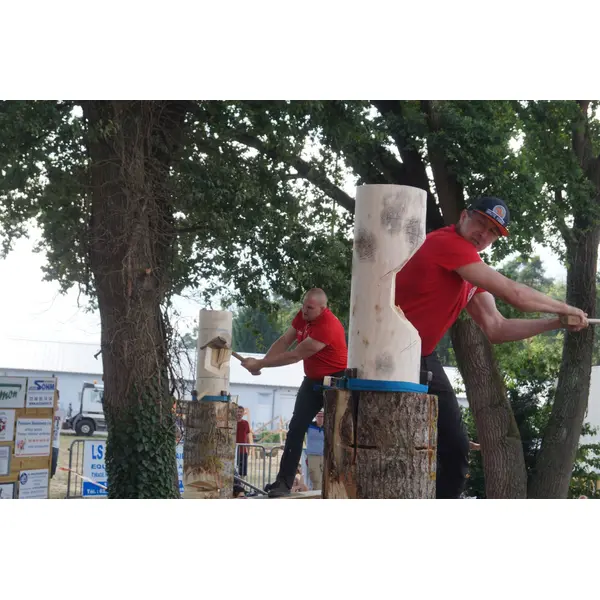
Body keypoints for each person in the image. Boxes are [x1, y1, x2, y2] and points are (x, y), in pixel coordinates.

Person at [395, 196, 588, 499]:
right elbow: (514, 294)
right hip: (393, 353)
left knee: (456, 449)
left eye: (492, 232)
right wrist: (564, 307)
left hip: (421, 356)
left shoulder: (469, 269)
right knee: (411, 447)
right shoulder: (447, 244)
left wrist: (556, 322)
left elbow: (497, 328)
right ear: (463, 216)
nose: (483, 234)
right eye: (480, 223)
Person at [241, 288, 348, 497]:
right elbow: (284, 341)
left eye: (310, 308)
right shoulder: (303, 316)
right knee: (296, 429)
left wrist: (260, 363)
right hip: (313, 380)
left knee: (338, 432)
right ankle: (283, 482)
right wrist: (261, 364)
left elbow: (295, 356)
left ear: (323, 309)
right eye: (303, 306)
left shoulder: (327, 326)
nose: (304, 311)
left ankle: (340, 482)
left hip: (336, 381)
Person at [305, 410, 325, 490]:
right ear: (315, 417)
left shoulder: (328, 427)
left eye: (322, 416)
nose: (320, 418)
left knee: (325, 477)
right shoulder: (309, 425)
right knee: (315, 479)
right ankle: (317, 494)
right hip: (312, 456)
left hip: (325, 456)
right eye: (318, 416)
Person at [51, 390, 66, 479]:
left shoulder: (62, 411)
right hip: (43, 444)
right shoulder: (45, 410)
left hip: (55, 444)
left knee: (52, 469)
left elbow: (62, 425)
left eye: (55, 396)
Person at [236, 405, 250, 478]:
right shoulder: (232, 422)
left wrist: (248, 449)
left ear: (243, 413)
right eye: (238, 411)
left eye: (241, 412)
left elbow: (247, 437)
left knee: (243, 471)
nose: (239, 413)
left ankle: (242, 483)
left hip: (243, 450)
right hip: (234, 450)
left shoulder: (246, 423)